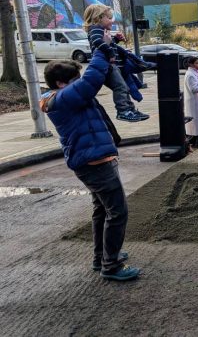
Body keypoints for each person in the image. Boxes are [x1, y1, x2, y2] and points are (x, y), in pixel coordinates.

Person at [40, 48, 141, 281]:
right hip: (93, 162)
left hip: (94, 158)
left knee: (101, 209)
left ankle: (102, 257)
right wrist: (100, 54)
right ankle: (111, 265)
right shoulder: (62, 99)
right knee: (118, 212)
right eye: (74, 80)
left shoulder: (64, 97)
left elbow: (89, 82)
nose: (78, 83)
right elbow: (90, 81)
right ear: (60, 83)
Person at [83, 4, 148, 122]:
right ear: (99, 17)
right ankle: (123, 110)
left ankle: (130, 110)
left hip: (112, 66)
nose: (112, 21)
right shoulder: (96, 29)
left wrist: (116, 40)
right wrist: (111, 54)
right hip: (107, 66)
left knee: (124, 87)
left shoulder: (101, 30)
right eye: (109, 18)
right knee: (121, 87)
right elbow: (98, 42)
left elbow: (108, 43)